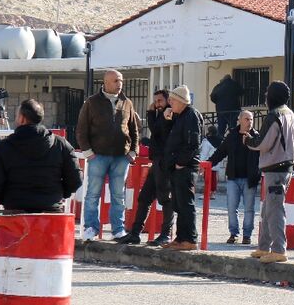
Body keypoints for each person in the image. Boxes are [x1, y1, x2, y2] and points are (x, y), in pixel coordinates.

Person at [77, 70, 140, 242]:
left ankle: (118, 230)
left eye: (121, 80)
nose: (119, 83)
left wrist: (133, 152)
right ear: (105, 82)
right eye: (115, 80)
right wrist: (88, 152)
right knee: (93, 193)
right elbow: (81, 129)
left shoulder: (127, 102)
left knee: (118, 195)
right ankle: (91, 228)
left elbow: (134, 129)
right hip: (98, 156)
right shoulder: (91, 102)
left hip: (121, 157)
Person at [0, 99, 81, 212]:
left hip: (14, 215)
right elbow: (75, 179)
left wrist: (7, 199)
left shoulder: (2, 148)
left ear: (22, 118)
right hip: (51, 215)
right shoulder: (61, 145)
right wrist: (58, 194)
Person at [246, 81, 294, 264]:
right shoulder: (290, 114)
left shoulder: (273, 115)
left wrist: (247, 139)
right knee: (268, 209)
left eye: (267, 93)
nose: (265, 96)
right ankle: (264, 246)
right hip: (285, 166)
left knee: (274, 210)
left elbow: (263, 143)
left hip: (275, 168)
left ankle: (278, 249)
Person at [117, 90, 175, 246]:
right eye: (155, 101)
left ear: (168, 100)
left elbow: (157, 130)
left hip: (165, 162)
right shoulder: (160, 114)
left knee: (165, 199)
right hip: (156, 161)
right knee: (144, 198)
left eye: (160, 101)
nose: (157, 104)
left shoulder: (170, 114)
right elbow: (155, 131)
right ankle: (135, 233)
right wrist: (153, 113)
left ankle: (165, 234)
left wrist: (150, 113)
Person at [207, 111, 260, 245]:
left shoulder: (257, 136)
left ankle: (247, 235)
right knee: (231, 207)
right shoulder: (232, 136)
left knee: (249, 209)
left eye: (251, 119)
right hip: (233, 177)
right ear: (240, 120)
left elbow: (264, 155)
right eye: (247, 119)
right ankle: (233, 234)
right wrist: (209, 163)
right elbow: (221, 152)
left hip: (250, 178)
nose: (250, 122)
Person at [160, 85, 203, 251]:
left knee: (186, 203)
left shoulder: (191, 115)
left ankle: (190, 238)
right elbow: (168, 136)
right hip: (176, 167)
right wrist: (167, 119)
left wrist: (181, 162)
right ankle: (180, 238)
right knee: (178, 204)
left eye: (172, 100)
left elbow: (193, 143)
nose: (169, 103)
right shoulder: (180, 116)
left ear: (180, 101)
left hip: (185, 167)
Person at [210, 74, 244, 139]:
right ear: (230, 78)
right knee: (232, 127)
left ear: (223, 79)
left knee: (221, 128)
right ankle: (233, 142)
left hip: (221, 111)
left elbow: (212, 97)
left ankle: (220, 144)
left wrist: (219, 103)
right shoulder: (235, 84)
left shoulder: (218, 86)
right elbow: (242, 92)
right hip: (233, 110)